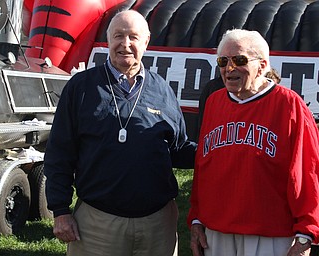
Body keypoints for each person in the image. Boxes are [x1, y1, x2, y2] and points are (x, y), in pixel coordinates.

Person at [44, 10, 196, 256]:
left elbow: (177, 149)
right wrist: (60, 210)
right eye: (118, 36)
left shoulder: (162, 90)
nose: (125, 44)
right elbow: (60, 153)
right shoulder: (81, 87)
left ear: (146, 42)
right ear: (108, 40)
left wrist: (217, 149)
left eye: (133, 37)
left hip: (157, 226)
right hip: (97, 224)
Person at [188, 28, 319, 256]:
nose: (229, 68)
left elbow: (307, 172)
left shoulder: (289, 105)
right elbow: (203, 167)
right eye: (223, 61)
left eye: (239, 60)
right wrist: (197, 219)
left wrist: (306, 233)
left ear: (262, 65)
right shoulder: (213, 102)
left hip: (270, 235)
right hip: (217, 233)